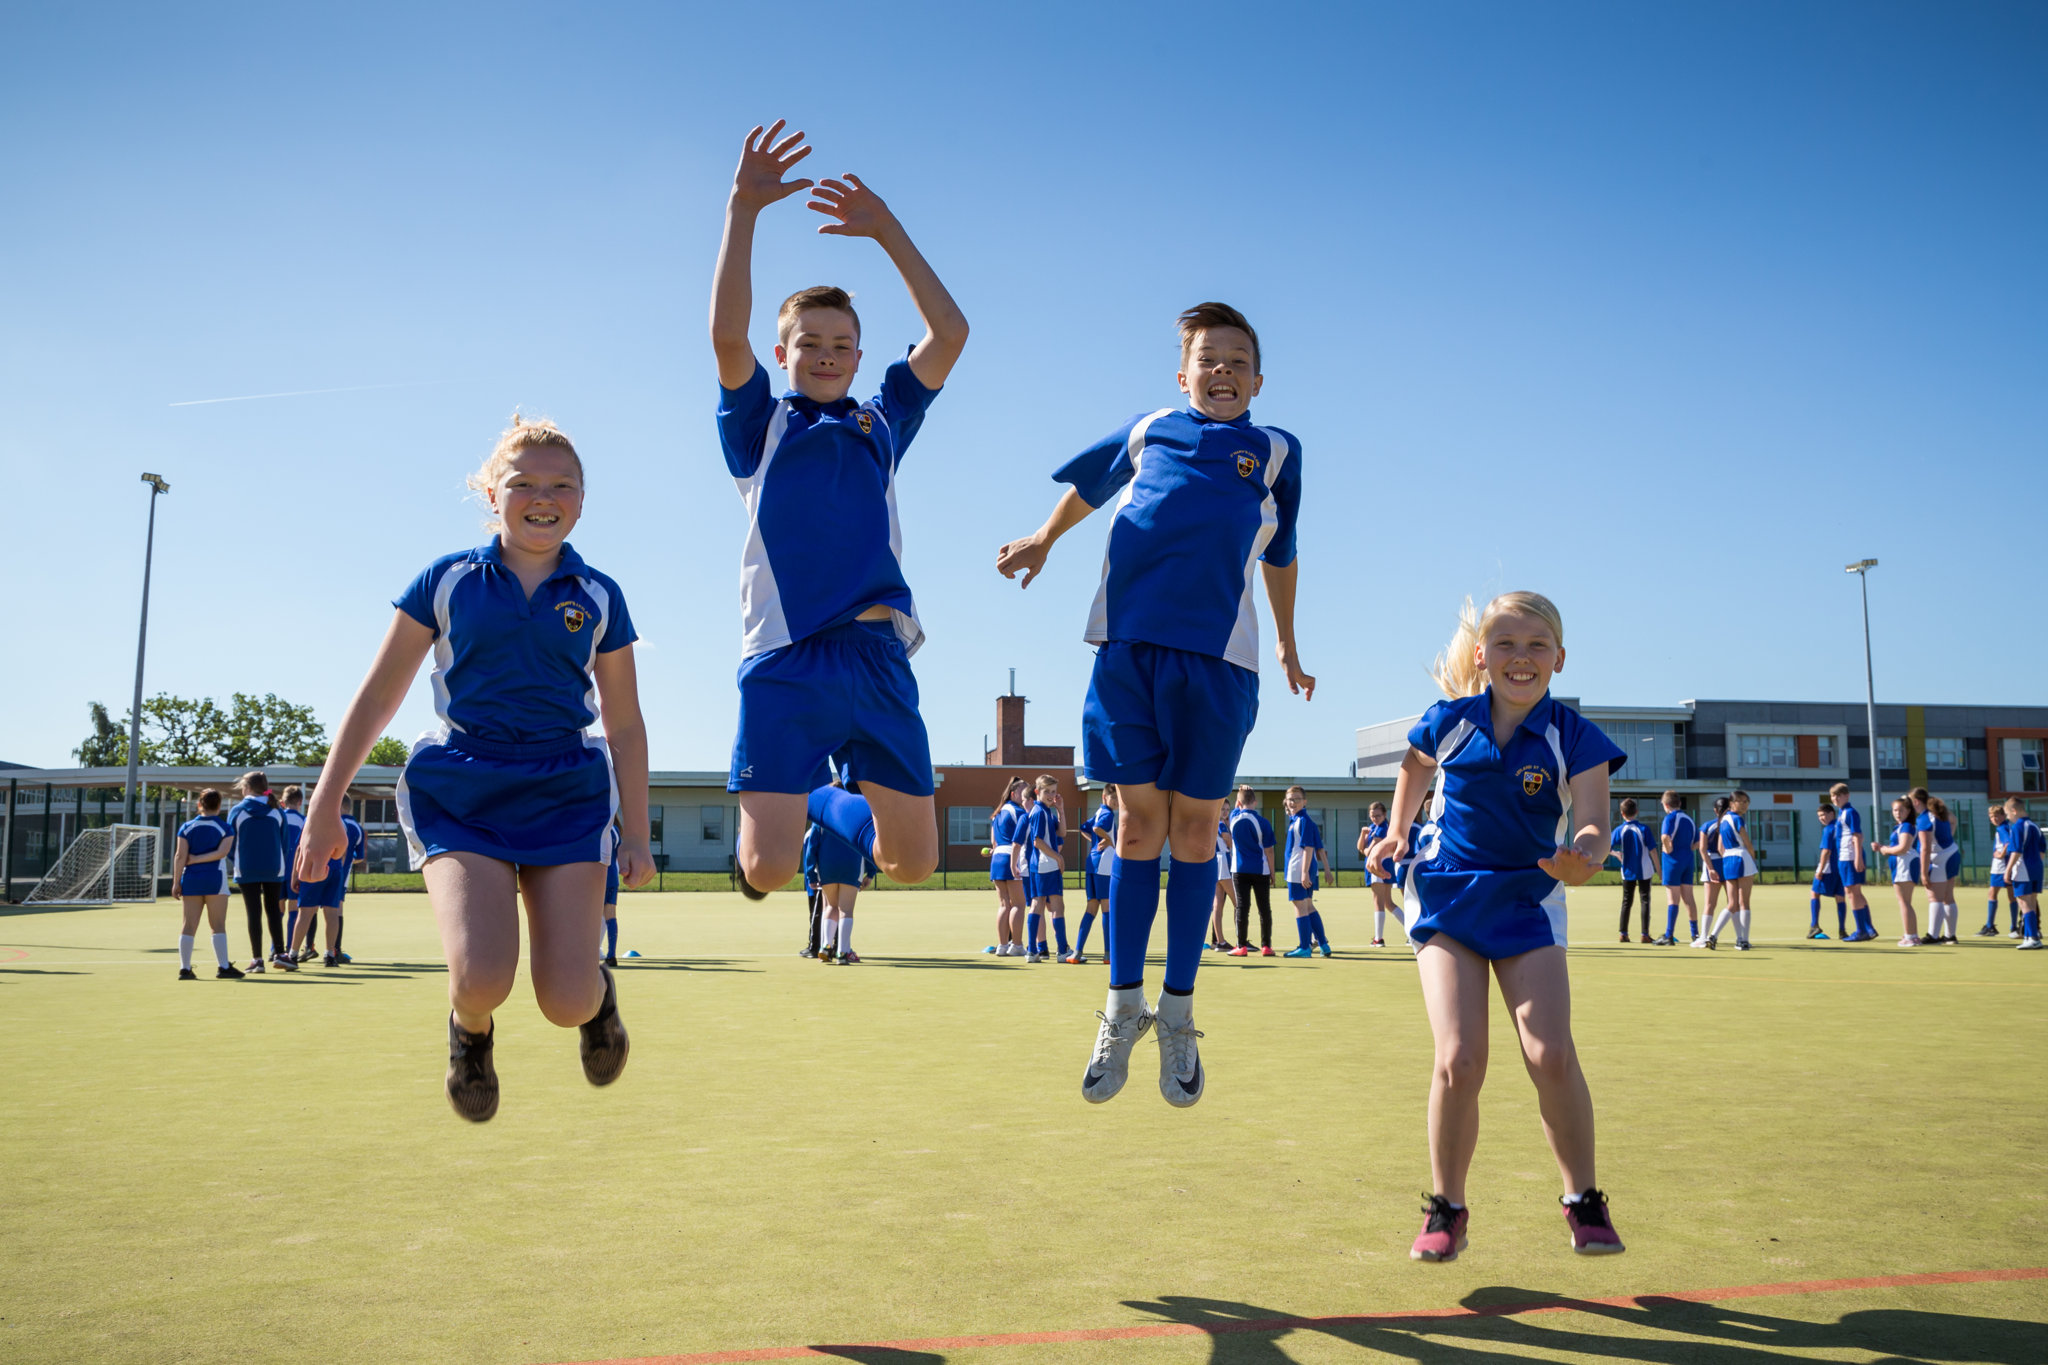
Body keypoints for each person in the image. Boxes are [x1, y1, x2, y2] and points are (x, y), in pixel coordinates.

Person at [997, 301, 1311, 1109]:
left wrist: (1286, 641)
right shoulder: (1151, 430)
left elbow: (1281, 550)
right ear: (1183, 373)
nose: (1223, 371)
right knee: (1136, 825)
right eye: (1208, 358)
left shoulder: (1276, 453)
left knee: (1195, 827)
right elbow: (1090, 487)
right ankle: (1120, 1005)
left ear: (1259, 379)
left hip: (1220, 662)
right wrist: (1042, 539)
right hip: (1128, 650)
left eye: (1238, 360)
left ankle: (1177, 1008)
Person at [294, 412, 650, 1123]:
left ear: (582, 499)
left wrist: (634, 831)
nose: (542, 496)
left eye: (562, 484)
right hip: (463, 785)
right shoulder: (446, 578)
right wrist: (324, 805)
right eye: (522, 482)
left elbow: (625, 723)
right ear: (491, 492)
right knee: (483, 976)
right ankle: (471, 1032)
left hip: (565, 791)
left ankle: (596, 996)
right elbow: (378, 695)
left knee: (567, 999)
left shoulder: (601, 594)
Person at [710, 121, 968, 902]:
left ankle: (829, 798)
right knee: (767, 870)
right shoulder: (762, 426)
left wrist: (886, 228)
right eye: (809, 341)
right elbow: (726, 332)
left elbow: (950, 332)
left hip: (877, 653)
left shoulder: (882, 421)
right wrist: (743, 208)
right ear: (783, 353)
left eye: (841, 342)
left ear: (859, 354)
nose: (826, 352)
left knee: (915, 862)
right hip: (788, 660)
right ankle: (812, 796)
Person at [1365, 592, 1627, 1262]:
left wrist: (1584, 858)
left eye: (1537, 644)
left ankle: (1583, 1199)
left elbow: (1595, 822)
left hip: (1527, 902)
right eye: (1505, 643)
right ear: (1481, 656)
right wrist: (1397, 832)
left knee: (1550, 1054)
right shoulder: (1448, 721)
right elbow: (1415, 768)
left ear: (1560, 659)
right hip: (1447, 897)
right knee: (1460, 1059)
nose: (1521, 657)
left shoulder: (1577, 737)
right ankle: (1446, 1207)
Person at [173, 789, 241, 980]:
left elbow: (180, 856)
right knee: (218, 924)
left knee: (188, 925)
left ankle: (184, 969)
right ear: (219, 806)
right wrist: (197, 859)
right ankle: (223, 966)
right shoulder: (225, 828)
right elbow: (222, 852)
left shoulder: (186, 827)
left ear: (199, 804)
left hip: (192, 880)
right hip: (215, 880)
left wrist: (176, 882)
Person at [226, 772, 292, 972]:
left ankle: (257, 960)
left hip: (246, 867)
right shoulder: (277, 811)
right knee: (274, 910)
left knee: (253, 912)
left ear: (246, 787)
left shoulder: (237, 811)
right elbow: (285, 842)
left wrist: (237, 858)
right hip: (274, 867)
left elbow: (229, 843)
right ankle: (280, 954)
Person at [293, 803, 363, 967]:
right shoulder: (342, 823)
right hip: (335, 869)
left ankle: (293, 954)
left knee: (305, 913)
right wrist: (337, 868)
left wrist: (296, 875)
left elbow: (300, 848)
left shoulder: (312, 820)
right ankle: (330, 955)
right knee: (332, 914)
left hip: (314, 867)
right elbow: (344, 851)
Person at [815, 797, 874, 965]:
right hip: (851, 865)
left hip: (827, 867)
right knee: (846, 910)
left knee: (831, 906)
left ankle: (825, 947)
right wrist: (870, 872)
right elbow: (868, 843)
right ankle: (842, 952)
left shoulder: (821, 816)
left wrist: (812, 873)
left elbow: (811, 845)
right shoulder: (858, 814)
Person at [1700, 790, 1758, 951]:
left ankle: (1713, 935)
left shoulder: (1723, 820)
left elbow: (1720, 847)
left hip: (1728, 860)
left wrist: (1728, 858)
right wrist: (1752, 858)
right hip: (1742, 857)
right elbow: (1747, 843)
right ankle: (1743, 940)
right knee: (1743, 902)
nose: (1745, 804)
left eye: (1747, 801)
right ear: (1732, 803)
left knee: (1732, 903)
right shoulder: (1738, 819)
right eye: (1741, 801)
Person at [1281, 786, 1332, 957]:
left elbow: (1309, 847)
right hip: (1304, 869)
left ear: (1305, 801)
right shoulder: (1297, 820)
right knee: (1309, 906)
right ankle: (1323, 944)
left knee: (1300, 907)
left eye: (1296, 798)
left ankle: (1304, 947)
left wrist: (1303, 873)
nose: (1293, 802)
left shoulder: (1303, 821)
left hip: (1298, 870)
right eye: (1290, 799)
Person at [1227, 787, 1278, 957]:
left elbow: (1236, 808)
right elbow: (1269, 850)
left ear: (1239, 803)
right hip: (1260, 869)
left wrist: (1240, 796)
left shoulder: (1233, 817)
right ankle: (1266, 946)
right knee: (1264, 908)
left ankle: (1241, 946)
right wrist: (1272, 872)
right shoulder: (1263, 822)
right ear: (1255, 802)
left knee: (1242, 907)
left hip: (1239, 870)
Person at [1071, 785, 1119, 964]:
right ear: (1104, 796)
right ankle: (1108, 954)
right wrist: (1106, 839)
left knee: (1091, 907)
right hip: (1104, 865)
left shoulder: (1099, 811)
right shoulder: (1107, 814)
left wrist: (1096, 841)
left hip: (1092, 864)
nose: (1115, 802)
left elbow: (1084, 828)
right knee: (1106, 907)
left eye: (1117, 799)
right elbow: (1098, 828)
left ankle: (1077, 952)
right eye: (1112, 797)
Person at [1829, 781, 1879, 942]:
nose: (1835, 798)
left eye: (1838, 795)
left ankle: (1861, 931)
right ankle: (1868, 928)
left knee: (1851, 893)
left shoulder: (1850, 812)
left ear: (1847, 795)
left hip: (1849, 857)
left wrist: (1857, 857)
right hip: (1845, 857)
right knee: (1855, 892)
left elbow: (1857, 835)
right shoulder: (1842, 813)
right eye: (1833, 796)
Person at [1912, 788, 1962, 945]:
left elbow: (1925, 849)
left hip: (1940, 859)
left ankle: (1933, 936)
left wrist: (1923, 873)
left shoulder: (1924, 819)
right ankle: (1950, 936)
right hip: (1952, 853)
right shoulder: (1938, 812)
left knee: (1935, 898)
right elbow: (1954, 820)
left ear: (1916, 802)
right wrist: (1948, 837)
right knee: (1948, 897)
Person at [985, 779, 1028, 957]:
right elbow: (1027, 835)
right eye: (1023, 792)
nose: (1027, 796)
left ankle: (1003, 945)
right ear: (1013, 794)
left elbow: (993, 842)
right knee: (1018, 904)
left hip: (997, 859)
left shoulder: (997, 813)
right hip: (1012, 857)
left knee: (1004, 905)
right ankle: (1016, 945)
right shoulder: (1019, 811)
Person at [1028, 775, 1068, 962]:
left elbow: (1062, 833)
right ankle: (1062, 951)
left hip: (1039, 866)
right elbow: (1037, 841)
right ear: (1037, 792)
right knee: (1057, 907)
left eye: (1054, 791)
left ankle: (1032, 951)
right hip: (1047, 865)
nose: (1051, 795)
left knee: (1037, 905)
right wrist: (1057, 856)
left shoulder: (1047, 811)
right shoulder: (1039, 812)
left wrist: (1060, 809)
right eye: (1047, 792)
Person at [1879, 797, 1923, 947]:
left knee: (1904, 902)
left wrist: (1885, 850)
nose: (1897, 813)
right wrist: (1883, 848)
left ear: (1909, 811)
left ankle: (1910, 937)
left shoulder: (1906, 826)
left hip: (1905, 864)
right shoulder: (1900, 827)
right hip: (1902, 864)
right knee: (1905, 902)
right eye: (1895, 810)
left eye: (1901, 810)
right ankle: (1911, 935)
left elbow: (1903, 848)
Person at [1610, 798, 1654, 943]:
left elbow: (1606, 847)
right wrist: (1658, 869)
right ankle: (1644, 934)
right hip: (1645, 870)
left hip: (1627, 870)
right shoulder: (1644, 829)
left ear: (1622, 813)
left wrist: (1616, 854)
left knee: (1626, 901)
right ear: (1636, 812)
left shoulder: (1619, 830)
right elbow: (1653, 850)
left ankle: (1623, 933)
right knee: (1645, 900)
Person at [1656, 791, 1696, 946]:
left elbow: (1665, 837)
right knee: (1689, 898)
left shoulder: (1670, 817)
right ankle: (1695, 934)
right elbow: (1696, 842)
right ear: (1679, 803)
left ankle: (1669, 935)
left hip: (1673, 861)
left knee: (1673, 898)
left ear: (1666, 805)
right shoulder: (1689, 819)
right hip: (1688, 860)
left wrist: (1668, 849)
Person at [278, 786, 311, 962]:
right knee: (293, 910)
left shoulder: (277, 818)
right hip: (294, 870)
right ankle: (290, 949)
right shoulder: (304, 821)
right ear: (300, 802)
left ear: (283, 802)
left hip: (276, 870)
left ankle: (274, 949)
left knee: (277, 910)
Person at [2004, 798, 2042, 949]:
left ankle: (2033, 938)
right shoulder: (2035, 826)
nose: (2007, 817)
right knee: (2031, 901)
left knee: (2023, 902)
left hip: (2023, 868)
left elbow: (2016, 851)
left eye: (2007, 814)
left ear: (2014, 811)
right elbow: (2042, 851)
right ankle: (2029, 936)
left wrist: (2007, 870)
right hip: (2037, 867)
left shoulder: (2018, 826)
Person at [1692, 796, 1729, 948]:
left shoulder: (1707, 826)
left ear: (1715, 810)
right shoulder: (1732, 825)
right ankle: (1741, 937)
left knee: (1709, 904)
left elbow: (1702, 849)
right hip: (1728, 863)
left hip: (1712, 863)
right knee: (1734, 903)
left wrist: (1711, 868)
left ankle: (1703, 936)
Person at [1360, 801, 1396, 947]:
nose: (1375, 818)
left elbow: (1369, 851)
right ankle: (1411, 931)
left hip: (1378, 867)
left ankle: (1378, 939)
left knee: (1378, 903)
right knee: (1388, 902)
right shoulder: (1372, 828)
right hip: (1378, 866)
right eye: (1372, 816)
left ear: (1385, 814)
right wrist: (1363, 835)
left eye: (1378, 815)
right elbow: (1360, 847)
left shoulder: (1382, 828)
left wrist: (1365, 850)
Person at [1809, 802, 1846, 940]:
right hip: (1842, 867)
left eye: (1824, 814)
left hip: (1829, 868)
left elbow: (1826, 851)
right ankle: (1842, 930)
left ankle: (1814, 926)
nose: (1822, 818)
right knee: (1840, 897)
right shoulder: (1842, 827)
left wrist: (1820, 869)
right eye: (1819, 816)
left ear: (1832, 813)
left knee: (1814, 892)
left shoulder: (1829, 829)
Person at [1983, 804, 2018, 937]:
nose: (1994, 818)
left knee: (1992, 893)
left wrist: (2001, 855)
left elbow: (2008, 844)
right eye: (1991, 816)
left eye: (1997, 816)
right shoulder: (2007, 826)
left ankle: (1990, 926)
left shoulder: (2002, 829)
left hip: (2001, 866)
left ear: (2003, 816)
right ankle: (2013, 926)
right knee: (2011, 895)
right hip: (2008, 865)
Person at [1208, 809, 1236, 953]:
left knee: (1218, 904)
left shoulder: (1212, 823)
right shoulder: (1220, 824)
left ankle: (1220, 941)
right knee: (1238, 902)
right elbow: (1230, 844)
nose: (1225, 812)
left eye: (1227, 809)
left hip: (1216, 861)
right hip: (1223, 861)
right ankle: (1241, 940)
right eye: (1222, 809)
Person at [602, 840, 622, 968]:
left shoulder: (600, 826)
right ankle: (611, 955)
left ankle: (586, 955)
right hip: (612, 877)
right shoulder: (615, 831)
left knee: (589, 917)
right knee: (611, 916)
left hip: (599, 876)